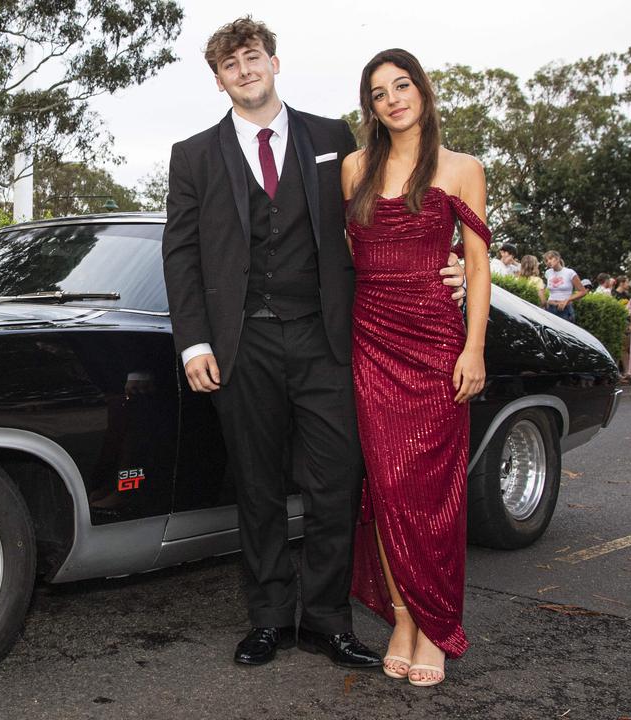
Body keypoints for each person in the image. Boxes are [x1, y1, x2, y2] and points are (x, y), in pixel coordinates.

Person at [161, 18, 464, 671]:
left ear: (274, 61)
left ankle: (327, 622)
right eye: (230, 65)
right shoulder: (193, 155)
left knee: (337, 483)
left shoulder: (333, 137)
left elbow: (388, 211)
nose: (244, 71)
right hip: (242, 346)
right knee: (259, 485)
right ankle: (269, 618)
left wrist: (452, 262)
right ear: (218, 80)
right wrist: (194, 344)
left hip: (329, 340)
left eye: (252, 58)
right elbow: (180, 254)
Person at [342, 48, 492, 688]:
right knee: (386, 486)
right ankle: (402, 616)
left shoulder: (462, 169)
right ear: (370, 108)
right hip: (372, 339)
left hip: (436, 342)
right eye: (379, 93)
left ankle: (434, 623)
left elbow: (479, 266)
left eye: (402, 85)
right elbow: (353, 253)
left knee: (433, 492)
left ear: (423, 91)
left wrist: (474, 347)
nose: (393, 98)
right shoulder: (354, 168)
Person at [543, 250, 586, 321]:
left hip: (564, 309)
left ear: (558, 258)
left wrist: (567, 300)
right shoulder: (548, 273)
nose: (549, 262)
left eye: (550, 258)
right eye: (546, 261)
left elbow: (583, 292)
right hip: (550, 308)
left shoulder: (570, 272)